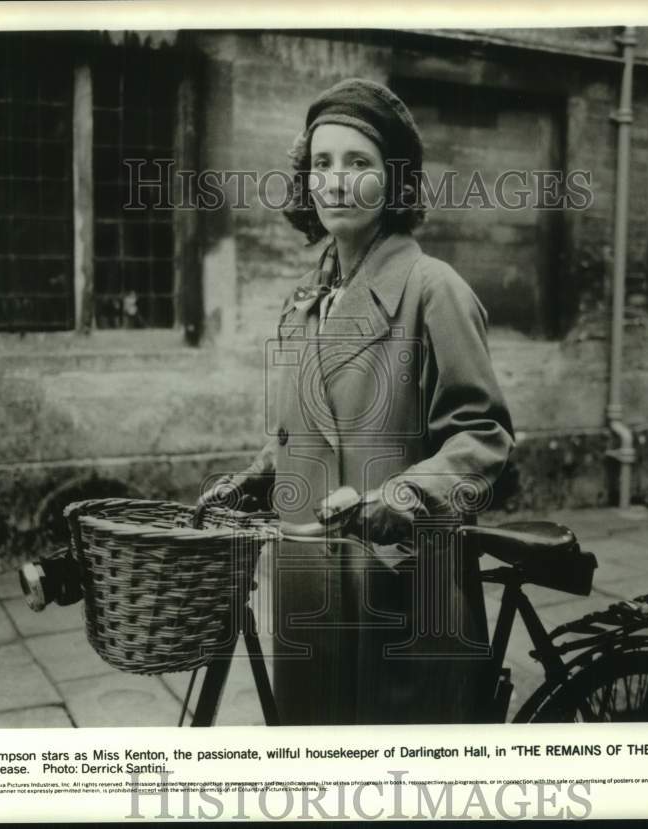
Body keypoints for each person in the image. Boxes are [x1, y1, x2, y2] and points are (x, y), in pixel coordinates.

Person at [199, 78, 516, 725]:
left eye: (358, 162)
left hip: (399, 591)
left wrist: (401, 497)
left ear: (395, 181)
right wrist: (256, 479)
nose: (336, 182)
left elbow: (483, 439)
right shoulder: (304, 301)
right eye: (322, 163)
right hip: (308, 593)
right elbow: (306, 432)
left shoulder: (434, 290)